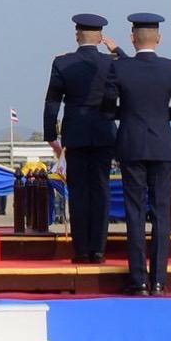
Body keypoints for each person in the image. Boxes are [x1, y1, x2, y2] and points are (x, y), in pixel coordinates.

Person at [108, 13, 171, 295]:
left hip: (131, 144)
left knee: (134, 212)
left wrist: (130, 112)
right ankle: (158, 280)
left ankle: (138, 280)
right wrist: (159, 113)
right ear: (159, 38)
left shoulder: (120, 68)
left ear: (133, 38)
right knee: (161, 214)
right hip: (160, 145)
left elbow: (107, 108)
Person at [44, 13, 124, 263]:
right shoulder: (111, 62)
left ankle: (80, 251)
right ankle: (98, 250)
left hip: (75, 133)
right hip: (104, 132)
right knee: (101, 190)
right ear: (100, 38)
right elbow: (134, 70)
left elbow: (52, 101)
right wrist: (117, 50)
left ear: (77, 35)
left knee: (78, 192)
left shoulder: (63, 63)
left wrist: (51, 135)